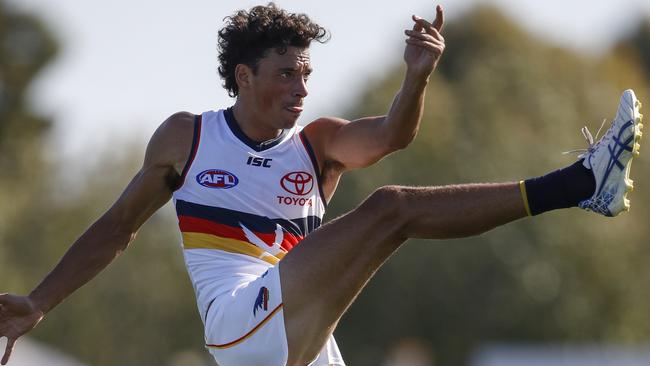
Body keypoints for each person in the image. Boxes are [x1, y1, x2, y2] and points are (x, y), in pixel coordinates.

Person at [0, 3, 643, 366]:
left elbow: (392, 135)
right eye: (286, 73)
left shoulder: (319, 144)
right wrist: (38, 303)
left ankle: (584, 187)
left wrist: (417, 77)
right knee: (391, 209)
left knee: (390, 207)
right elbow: (117, 229)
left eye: (307, 73)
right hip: (238, 330)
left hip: (308, 345)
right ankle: (580, 184)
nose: (302, 87)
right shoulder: (187, 137)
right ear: (244, 76)